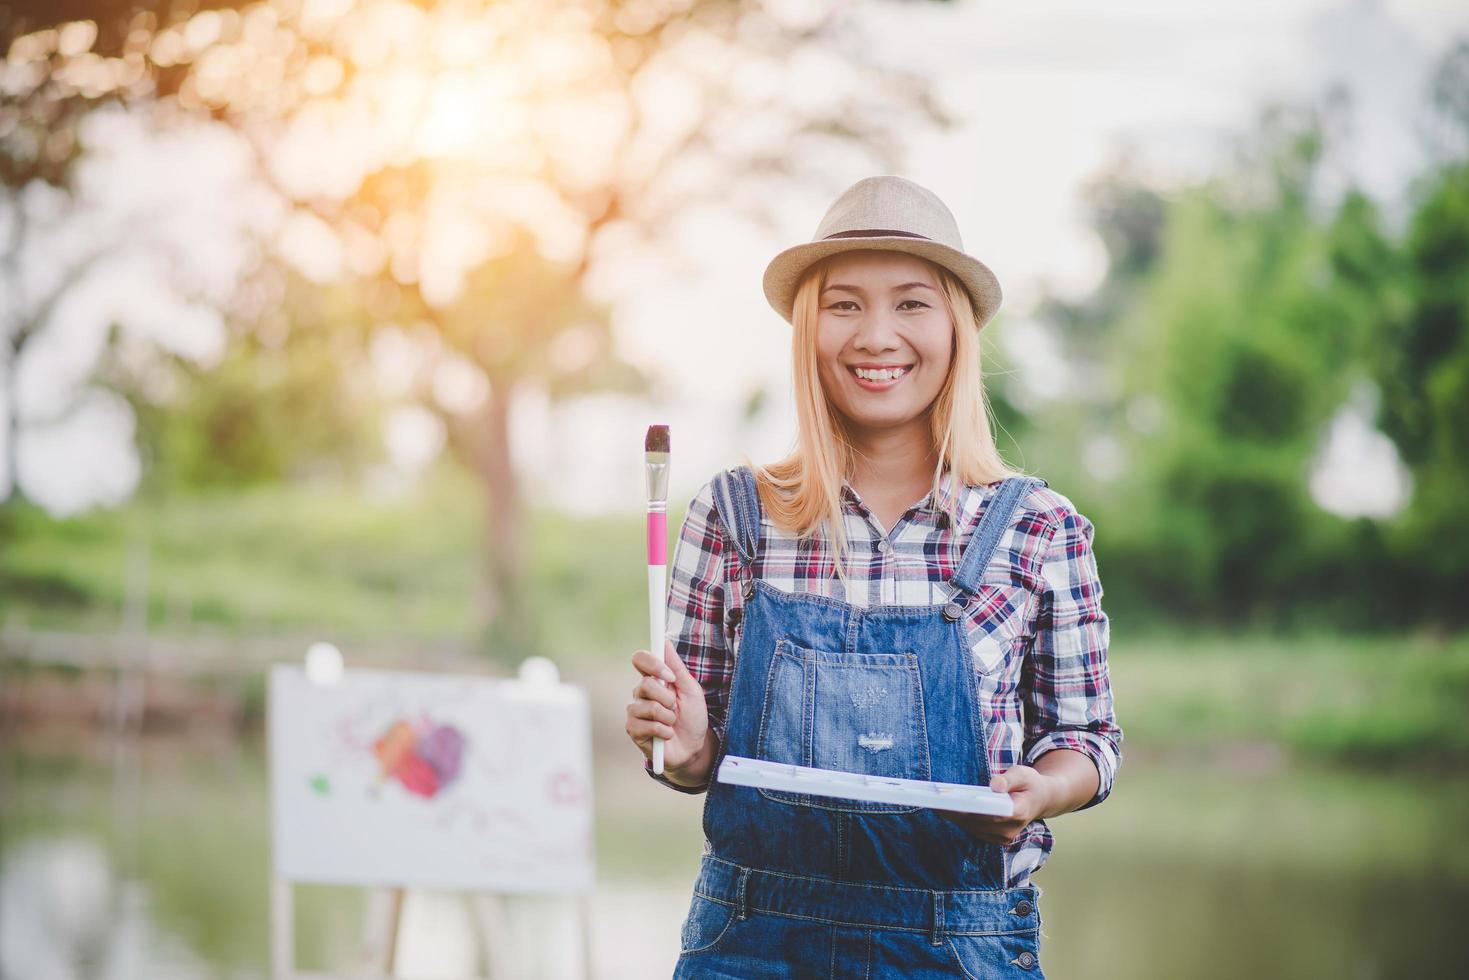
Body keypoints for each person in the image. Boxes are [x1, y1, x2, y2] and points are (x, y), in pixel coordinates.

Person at [625, 175, 1122, 978]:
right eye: (845, 303)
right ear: (807, 328)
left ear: (956, 329)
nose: (876, 335)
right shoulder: (729, 516)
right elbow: (700, 757)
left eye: (911, 304)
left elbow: (1086, 739)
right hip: (751, 943)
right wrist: (682, 750)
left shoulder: (1038, 528)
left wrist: (1039, 790)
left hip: (961, 946)